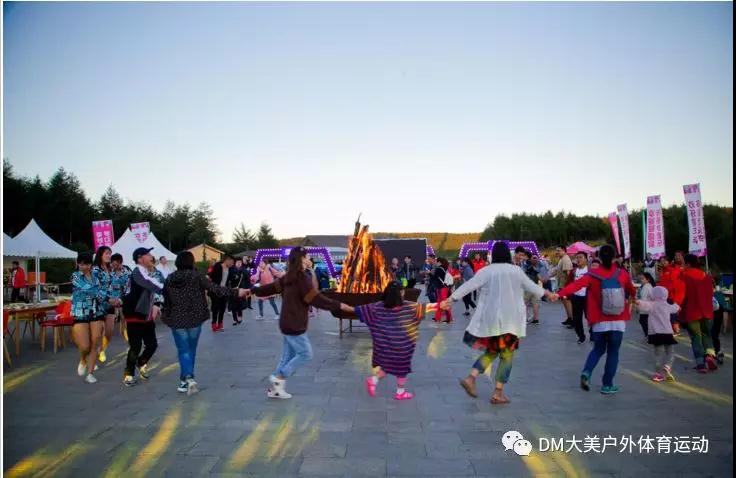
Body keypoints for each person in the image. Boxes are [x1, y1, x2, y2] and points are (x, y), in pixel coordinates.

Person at [442, 242, 554, 405]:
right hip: (510, 322)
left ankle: (471, 378)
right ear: (508, 254)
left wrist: (451, 299)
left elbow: (469, 285)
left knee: (493, 351)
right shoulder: (516, 271)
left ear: (493, 255)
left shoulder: (486, 271)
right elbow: (531, 286)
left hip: (492, 320)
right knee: (507, 356)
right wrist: (548, 293)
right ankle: (497, 392)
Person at [253, 247, 352, 399]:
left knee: (287, 357)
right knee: (306, 354)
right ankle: (279, 377)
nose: (309, 259)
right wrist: (340, 305)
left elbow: (270, 288)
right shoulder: (301, 278)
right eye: (307, 257)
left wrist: (253, 290)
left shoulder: (288, 277)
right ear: (301, 259)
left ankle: (275, 390)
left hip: (287, 322)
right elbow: (316, 299)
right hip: (294, 324)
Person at [162, 251, 250, 395]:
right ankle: (188, 377)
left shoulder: (170, 278)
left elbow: (166, 298)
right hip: (194, 318)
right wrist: (236, 292)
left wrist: (166, 315)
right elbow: (215, 288)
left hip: (177, 319)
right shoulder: (196, 276)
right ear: (191, 262)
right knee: (191, 349)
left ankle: (186, 379)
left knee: (183, 350)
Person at [555, 244, 637, 395]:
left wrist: (558, 294)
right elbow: (632, 290)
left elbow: (575, 286)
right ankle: (607, 385)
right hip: (618, 320)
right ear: (614, 258)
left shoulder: (592, 275)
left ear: (598, 258)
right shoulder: (622, 273)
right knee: (613, 352)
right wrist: (633, 297)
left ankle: (586, 372)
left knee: (598, 349)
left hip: (599, 320)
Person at [352, 281, 437, 400]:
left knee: (387, 367)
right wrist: (440, 304)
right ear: (401, 292)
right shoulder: (409, 306)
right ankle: (400, 392)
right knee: (402, 369)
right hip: (402, 348)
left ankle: (373, 380)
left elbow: (358, 310)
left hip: (386, 348)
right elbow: (426, 307)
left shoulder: (377, 307)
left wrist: (338, 306)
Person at [121, 247, 163, 387]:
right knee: (135, 346)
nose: (151, 256)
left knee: (152, 344)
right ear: (140, 258)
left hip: (146, 314)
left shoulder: (147, 272)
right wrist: (166, 289)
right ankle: (129, 373)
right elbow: (150, 284)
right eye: (148, 254)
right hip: (134, 314)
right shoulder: (138, 272)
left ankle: (141, 362)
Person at [71, 252, 105, 384]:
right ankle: (83, 360)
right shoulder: (75, 276)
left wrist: (111, 299)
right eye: (81, 264)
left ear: (91, 264)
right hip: (81, 312)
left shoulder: (96, 276)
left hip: (96, 311)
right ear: (78, 264)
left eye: (86, 264)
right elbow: (88, 289)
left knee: (95, 342)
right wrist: (106, 297)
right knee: (85, 346)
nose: (84, 267)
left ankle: (90, 373)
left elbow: (103, 289)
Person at [679, 254, 717, 372]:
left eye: (684, 263)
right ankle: (710, 356)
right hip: (707, 312)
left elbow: (682, 295)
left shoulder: (684, 276)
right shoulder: (706, 276)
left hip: (692, 312)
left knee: (696, 338)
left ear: (688, 264)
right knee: (707, 335)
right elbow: (711, 293)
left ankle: (700, 364)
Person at [635, 286, 680, 382]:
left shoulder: (652, 305)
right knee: (670, 351)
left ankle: (658, 374)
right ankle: (667, 366)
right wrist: (675, 304)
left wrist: (637, 301)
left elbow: (642, 304)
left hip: (655, 333)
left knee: (658, 354)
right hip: (667, 332)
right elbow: (676, 308)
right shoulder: (667, 305)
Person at [92, 246, 119, 364]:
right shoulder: (95, 270)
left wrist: (117, 299)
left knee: (109, 332)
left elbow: (114, 286)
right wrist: (108, 298)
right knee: (97, 334)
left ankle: (101, 350)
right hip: (98, 304)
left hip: (110, 304)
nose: (109, 256)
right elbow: (95, 288)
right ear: (100, 255)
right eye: (107, 253)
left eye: (110, 254)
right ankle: (92, 356)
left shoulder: (110, 269)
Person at [658, 255, 685, 336]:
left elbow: (674, 284)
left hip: (672, 296)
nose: (663, 262)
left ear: (669, 261)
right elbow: (661, 282)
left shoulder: (672, 270)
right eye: (661, 261)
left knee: (673, 313)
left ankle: (676, 330)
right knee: (667, 314)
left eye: (664, 261)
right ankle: (669, 329)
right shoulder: (662, 271)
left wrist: (665, 290)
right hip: (664, 296)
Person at [208, 255, 235, 332]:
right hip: (216, 290)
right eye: (231, 262)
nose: (232, 264)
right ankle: (214, 323)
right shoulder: (217, 266)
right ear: (227, 260)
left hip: (224, 290)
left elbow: (231, 278)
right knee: (215, 307)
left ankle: (220, 323)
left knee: (223, 308)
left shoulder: (230, 269)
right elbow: (211, 276)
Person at [569, 252, 589, 344]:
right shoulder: (574, 271)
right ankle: (581, 336)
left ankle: (593, 334)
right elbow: (570, 283)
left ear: (586, 259)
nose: (578, 259)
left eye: (580, 257)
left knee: (589, 317)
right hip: (576, 298)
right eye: (577, 257)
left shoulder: (590, 270)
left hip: (587, 298)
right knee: (577, 319)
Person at [552, 246, 574, 326]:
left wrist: (567, 287)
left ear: (564, 251)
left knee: (567, 302)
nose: (557, 252)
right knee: (565, 302)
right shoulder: (561, 259)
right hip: (562, 285)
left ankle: (572, 319)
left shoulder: (565, 259)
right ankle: (569, 318)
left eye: (559, 250)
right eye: (556, 250)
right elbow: (557, 271)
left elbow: (568, 273)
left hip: (565, 286)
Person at [429, 258, 453, 324]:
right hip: (443, 288)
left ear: (439, 262)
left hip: (441, 288)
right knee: (440, 303)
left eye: (437, 262)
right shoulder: (443, 269)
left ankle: (448, 318)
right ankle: (438, 318)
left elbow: (434, 278)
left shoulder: (439, 269)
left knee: (443, 303)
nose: (436, 263)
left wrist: (430, 273)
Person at [522, 251, 542, 325]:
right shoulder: (536, 263)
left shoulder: (527, 263)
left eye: (523, 255)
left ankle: (525, 319)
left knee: (524, 303)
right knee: (535, 303)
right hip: (535, 285)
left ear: (526, 256)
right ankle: (536, 319)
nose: (522, 257)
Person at [635, 272, 656, 338]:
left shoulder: (646, 287)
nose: (641, 280)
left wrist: (638, 307)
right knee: (644, 321)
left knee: (643, 321)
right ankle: (649, 334)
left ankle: (648, 335)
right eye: (641, 278)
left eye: (643, 278)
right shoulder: (646, 286)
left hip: (645, 308)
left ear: (648, 279)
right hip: (647, 307)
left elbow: (643, 299)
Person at [228, 259, 247, 326]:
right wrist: (234, 277)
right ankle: (234, 319)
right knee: (233, 305)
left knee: (240, 304)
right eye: (237, 262)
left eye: (240, 262)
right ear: (235, 263)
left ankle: (239, 316)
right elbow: (229, 278)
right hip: (233, 289)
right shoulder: (231, 270)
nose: (239, 263)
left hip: (241, 289)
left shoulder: (244, 270)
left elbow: (247, 278)